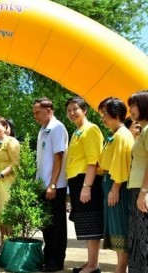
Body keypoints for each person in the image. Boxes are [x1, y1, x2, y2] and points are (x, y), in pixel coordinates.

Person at [65, 96, 104, 273]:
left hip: (86, 181)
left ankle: (93, 265)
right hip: (76, 181)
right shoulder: (77, 131)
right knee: (85, 223)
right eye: (69, 110)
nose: (72, 113)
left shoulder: (91, 129)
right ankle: (90, 263)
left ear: (85, 110)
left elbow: (93, 161)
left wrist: (87, 186)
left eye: (75, 109)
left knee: (92, 221)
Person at [97, 97, 133, 273]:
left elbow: (121, 164)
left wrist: (114, 189)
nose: (102, 117)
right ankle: (120, 267)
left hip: (117, 184)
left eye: (105, 114)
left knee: (121, 229)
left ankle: (120, 269)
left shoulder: (122, 135)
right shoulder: (114, 135)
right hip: (110, 182)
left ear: (115, 114)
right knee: (115, 228)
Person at [33, 97, 68, 272]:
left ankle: (57, 261)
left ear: (49, 110)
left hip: (55, 186)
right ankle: (49, 258)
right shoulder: (42, 129)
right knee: (46, 225)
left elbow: (58, 156)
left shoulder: (57, 127)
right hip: (43, 183)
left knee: (57, 226)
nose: (35, 115)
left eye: (37, 112)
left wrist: (53, 184)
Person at [0, 116, 20, 251]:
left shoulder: (11, 141)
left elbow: (16, 163)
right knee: (1, 214)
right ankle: (3, 242)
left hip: (9, 181)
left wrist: (0, 175)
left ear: (5, 127)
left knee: (9, 213)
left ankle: (12, 245)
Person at [126, 90, 148, 273]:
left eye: (133, 105)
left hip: (143, 190)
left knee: (144, 240)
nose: (130, 110)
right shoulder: (143, 130)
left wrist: (144, 192)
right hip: (135, 189)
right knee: (135, 239)